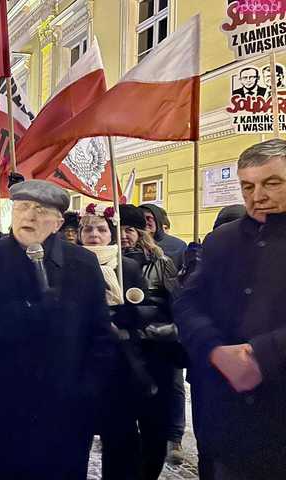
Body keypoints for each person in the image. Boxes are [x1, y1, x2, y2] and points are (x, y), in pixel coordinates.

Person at [0, 180, 115, 480]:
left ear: (58, 222)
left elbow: (99, 336)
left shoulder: (82, 264)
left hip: (58, 415)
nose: (29, 216)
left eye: (40, 210)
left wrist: (84, 392)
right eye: (22, 207)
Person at [174, 139, 286, 479]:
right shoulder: (221, 239)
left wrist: (262, 355)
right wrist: (213, 348)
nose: (257, 196)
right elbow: (186, 300)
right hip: (230, 420)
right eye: (247, 186)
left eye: (272, 183)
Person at [77, 203, 147, 480]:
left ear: (111, 233)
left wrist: (128, 314)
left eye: (101, 229)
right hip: (80, 360)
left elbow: (145, 307)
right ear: (80, 233)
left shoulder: (127, 266)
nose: (95, 234)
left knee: (120, 434)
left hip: (119, 361)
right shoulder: (71, 263)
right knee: (75, 430)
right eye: (89, 229)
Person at [120, 204, 181, 480]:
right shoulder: (102, 262)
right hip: (120, 356)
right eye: (118, 229)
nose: (123, 235)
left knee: (153, 428)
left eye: (129, 229)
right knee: (121, 430)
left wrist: (169, 330)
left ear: (141, 232)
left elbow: (178, 306)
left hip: (155, 354)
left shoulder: (162, 262)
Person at [138, 203, 187, 464]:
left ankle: (175, 434)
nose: (146, 223)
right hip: (141, 332)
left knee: (174, 384)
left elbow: (179, 289)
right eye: (141, 219)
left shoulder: (176, 247)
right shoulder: (129, 249)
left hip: (167, 328)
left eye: (149, 218)